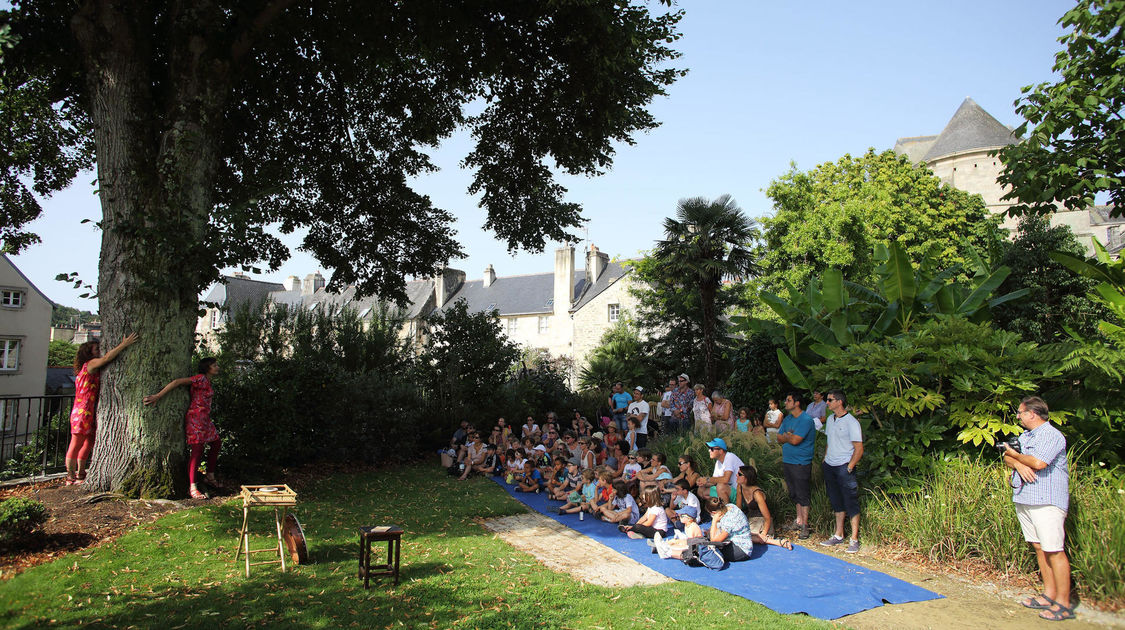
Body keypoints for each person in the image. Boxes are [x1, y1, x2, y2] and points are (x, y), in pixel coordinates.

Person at [1003, 396, 1074, 622]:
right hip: (1026, 497)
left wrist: (1016, 457)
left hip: (1047, 500)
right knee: (1039, 547)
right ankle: (1049, 595)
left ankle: (1063, 603)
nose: (1018, 416)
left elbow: (1039, 463)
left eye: (1021, 412)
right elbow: (1007, 457)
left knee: (1054, 549)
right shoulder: (1026, 436)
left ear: (1032, 414)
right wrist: (1017, 462)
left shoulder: (1052, 435)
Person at [65, 333, 140, 485]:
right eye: (96, 349)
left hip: (89, 411)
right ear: (89, 353)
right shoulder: (91, 364)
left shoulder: (87, 367)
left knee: (89, 442)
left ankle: (80, 473)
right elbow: (106, 359)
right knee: (77, 442)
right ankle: (70, 476)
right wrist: (124, 344)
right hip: (83, 411)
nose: (99, 350)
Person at [143, 357, 222, 499]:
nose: (217, 367)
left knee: (216, 443)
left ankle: (209, 475)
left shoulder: (207, 381)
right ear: (207, 368)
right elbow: (177, 382)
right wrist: (158, 396)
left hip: (205, 419)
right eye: (214, 365)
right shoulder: (200, 378)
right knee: (197, 450)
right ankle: (192, 487)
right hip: (196, 418)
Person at [818, 389, 863, 553]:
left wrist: (850, 466)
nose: (827, 403)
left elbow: (859, 448)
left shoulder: (851, 422)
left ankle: (854, 539)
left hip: (845, 466)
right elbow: (830, 440)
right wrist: (825, 458)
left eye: (830, 400)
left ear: (839, 402)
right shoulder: (830, 419)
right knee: (836, 500)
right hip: (830, 465)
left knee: (850, 501)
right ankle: (838, 535)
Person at [777, 392, 816, 539]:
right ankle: (798, 520)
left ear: (797, 403)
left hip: (801, 462)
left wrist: (788, 437)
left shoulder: (806, 420)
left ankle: (805, 525)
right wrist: (788, 435)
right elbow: (779, 437)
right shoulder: (787, 419)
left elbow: (795, 440)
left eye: (788, 400)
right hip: (788, 460)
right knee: (794, 493)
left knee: (803, 494)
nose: (785, 402)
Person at [735, 465, 793, 550]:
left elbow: (767, 517)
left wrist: (764, 533)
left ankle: (778, 542)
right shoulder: (740, 487)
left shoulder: (757, 493)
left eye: (739, 474)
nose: (736, 475)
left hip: (762, 522)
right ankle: (772, 541)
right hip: (751, 520)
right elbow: (738, 509)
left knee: (740, 536)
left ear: (747, 477)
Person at [705, 496, 753, 562]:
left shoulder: (728, 519)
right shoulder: (730, 506)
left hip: (741, 550)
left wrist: (714, 521)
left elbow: (714, 541)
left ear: (713, 513)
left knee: (709, 550)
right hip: (742, 540)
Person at [696, 437, 744, 503]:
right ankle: (718, 507)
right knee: (701, 490)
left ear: (721, 451)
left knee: (721, 486)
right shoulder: (718, 462)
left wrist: (707, 479)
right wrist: (702, 482)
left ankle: (728, 511)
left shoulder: (729, 457)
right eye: (709, 448)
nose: (709, 450)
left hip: (740, 495)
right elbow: (714, 481)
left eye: (712, 449)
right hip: (728, 491)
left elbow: (725, 479)